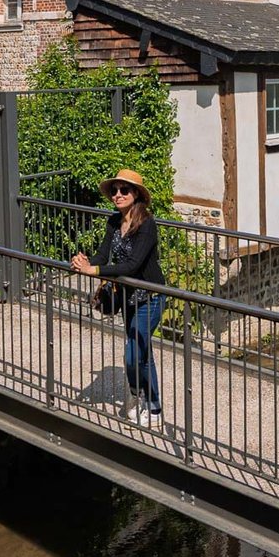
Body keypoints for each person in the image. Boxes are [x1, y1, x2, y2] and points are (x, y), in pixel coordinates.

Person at [71, 169, 168, 428]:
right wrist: (86, 262)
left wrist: (97, 271)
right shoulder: (114, 222)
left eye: (124, 190)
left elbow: (133, 265)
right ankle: (138, 399)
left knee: (135, 354)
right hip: (128, 297)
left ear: (135, 194)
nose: (118, 195)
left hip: (151, 296)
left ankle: (154, 406)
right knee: (138, 353)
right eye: (114, 190)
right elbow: (103, 255)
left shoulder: (147, 224)